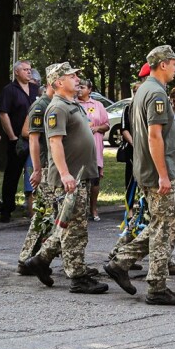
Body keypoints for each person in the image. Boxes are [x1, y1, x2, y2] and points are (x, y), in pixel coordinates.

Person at [106, 45, 175, 305]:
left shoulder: (145, 91)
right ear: (163, 64)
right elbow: (154, 136)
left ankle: (122, 262)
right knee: (165, 230)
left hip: (147, 170)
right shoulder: (157, 95)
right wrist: (163, 175)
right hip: (156, 173)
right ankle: (156, 287)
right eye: (174, 62)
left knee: (159, 226)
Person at [21, 62, 108, 294]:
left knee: (69, 225)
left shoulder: (72, 105)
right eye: (71, 76)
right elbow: (54, 142)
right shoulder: (57, 108)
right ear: (58, 82)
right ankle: (77, 276)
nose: (77, 79)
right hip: (70, 179)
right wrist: (65, 173)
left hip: (82, 175)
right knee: (75, 228)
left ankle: (40, 260)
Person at [16, 79, 57, 271]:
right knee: (44, 213)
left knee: (45, 214)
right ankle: (28, 259)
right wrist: (37, 169)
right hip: (47, 167)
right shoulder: (40, 106)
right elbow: (32, 138)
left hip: (54, 167)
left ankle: (29, 258)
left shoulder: (56, 103)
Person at [0, 61, 38, 222]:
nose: (29, 72)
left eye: (30, 70)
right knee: (12, 174)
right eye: (25, 70)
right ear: (16, 72)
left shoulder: (35, 89)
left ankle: (34, 206)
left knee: (34, 172)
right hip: (18, 139)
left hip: (34, 138)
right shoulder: (10, 90)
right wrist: (12, 136)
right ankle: (6, 208)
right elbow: (3, 114)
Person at [78, 79, 110, 221]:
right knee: (80, 179)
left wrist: (97, 128)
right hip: (79, 147)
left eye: (82, 87)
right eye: (78, 86)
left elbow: (106, 125)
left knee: (94, 179)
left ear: (89, 90)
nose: (79, 89)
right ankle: (80, 210)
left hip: (95, 145)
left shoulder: (98, 105)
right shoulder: (73, 104)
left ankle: (94, 209)